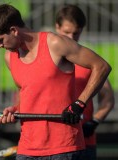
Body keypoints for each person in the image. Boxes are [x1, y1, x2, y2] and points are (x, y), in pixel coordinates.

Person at [0, 4, 111, 160]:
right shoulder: (9, 58)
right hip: (27, 149)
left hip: (64, 149)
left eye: (0, 40)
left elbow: (102, 66)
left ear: (13, 30)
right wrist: (15, 109)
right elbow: (30, 96)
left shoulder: (55, 43)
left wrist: (80, 103)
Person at [55, 4, 115, 160]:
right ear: (57, 27)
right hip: (51, 143)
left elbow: (108, 98)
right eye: (66, 32)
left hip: (83, 143)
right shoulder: (46, 59)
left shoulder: (89, 62)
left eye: (76, 33)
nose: (71, 38)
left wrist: (94, 122)